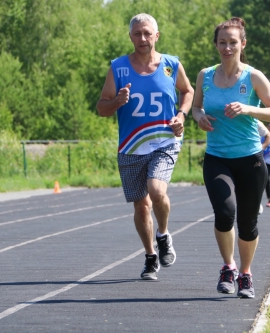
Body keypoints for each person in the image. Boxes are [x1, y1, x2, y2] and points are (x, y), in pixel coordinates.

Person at [96, 13, 194, 280]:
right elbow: (101, 107)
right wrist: (117, 101)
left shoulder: (171, 65)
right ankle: (151, 256)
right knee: (141, 207)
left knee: (156, 189)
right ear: (130, 36)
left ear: (156, 36)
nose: (142, 38)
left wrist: (181, 116)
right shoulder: (118, 68)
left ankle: (163, 234)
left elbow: (188, 92)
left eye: (147, 33)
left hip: (165, 140)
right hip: (130, 146)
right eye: (137, 33)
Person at [191, 17, 270, 298]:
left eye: (233, 42)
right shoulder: (205, 75)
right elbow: (195, 107)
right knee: (224, 212)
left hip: (251, 160)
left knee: (247, 222)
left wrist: (247, 108)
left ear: (242, 44)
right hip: (217, 157)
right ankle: (228, 267)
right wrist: (199, 118)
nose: (227, 47)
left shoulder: (253, 77)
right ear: (216, 44)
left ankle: (246, 274)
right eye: (222, 42)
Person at [258, 121, 270, 215]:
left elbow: (269, 136)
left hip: (253, 160)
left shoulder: (254, 122)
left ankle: (257, 203)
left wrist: (261, 147)